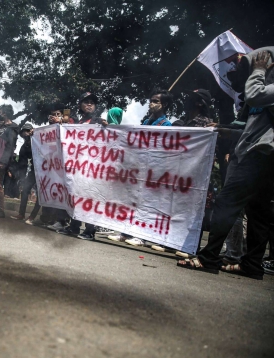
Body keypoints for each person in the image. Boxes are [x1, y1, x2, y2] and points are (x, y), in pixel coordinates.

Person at [177, 49, 274, 280]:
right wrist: (221, 129)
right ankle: (252, 265)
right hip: (259, 152)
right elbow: (249, 126)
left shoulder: (262, 88)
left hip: (261, 154)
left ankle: (208, 257)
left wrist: (259, 70)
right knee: (258, 211)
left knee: (227, 202)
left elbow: (255, 94)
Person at [113, 89, 173, 247]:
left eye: (156, 101)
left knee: (147, 203)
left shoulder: (166, 125)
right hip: (140, 167)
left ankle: (141, 236)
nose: (152, 104)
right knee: (133, 200)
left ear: (164, 105)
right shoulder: (146, 122)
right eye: (151, 100)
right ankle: (126, 232)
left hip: (154, 169)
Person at [57, 92, 111, 240]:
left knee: (90, 198)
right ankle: (74, 227)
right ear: (80, 105)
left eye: (92, 102)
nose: (89, 104)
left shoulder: (99, 122)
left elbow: (111, 139)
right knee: (76, 198)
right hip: (77, 168)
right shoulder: (78, 123)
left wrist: (109, 127)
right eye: (86, 102)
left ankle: (90, 230)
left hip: (92, 168)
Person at [10, 123, 42, 224]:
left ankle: (32, 217)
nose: (26, 133)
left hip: (43, 171)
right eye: (24, 132)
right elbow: (22, 162)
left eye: (28, 131)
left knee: (41, 195)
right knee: (25, 191)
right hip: (32, 170)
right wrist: (21, 177)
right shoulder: (24, 146)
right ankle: (21, 214)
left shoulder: (40, 140)